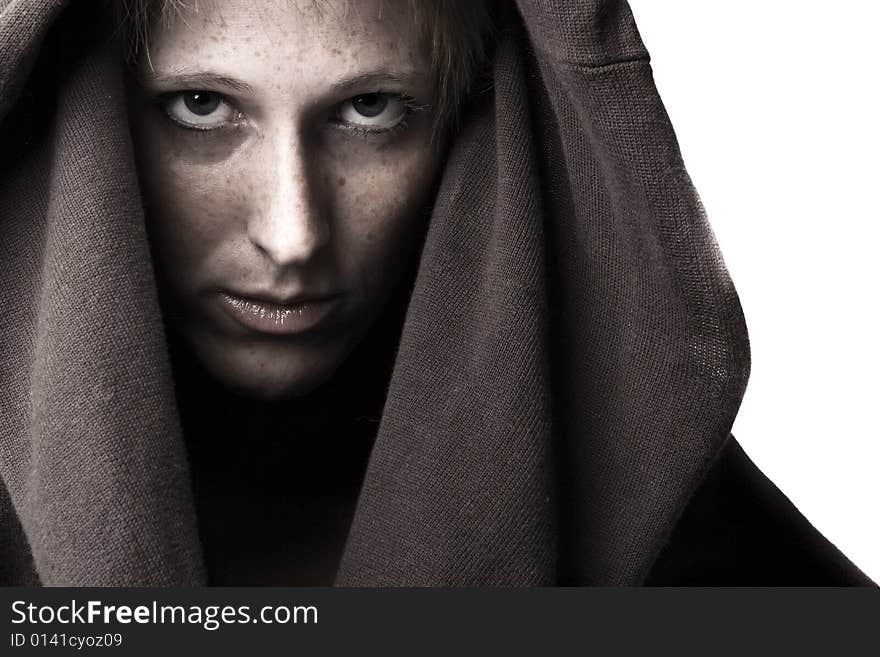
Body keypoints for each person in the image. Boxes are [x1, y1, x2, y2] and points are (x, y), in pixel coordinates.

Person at [0, 0, 874, 586]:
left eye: (373, 111)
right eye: (201, 105)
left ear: (470, 123)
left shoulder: (686, 537)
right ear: (91, 120)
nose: (293, 234)